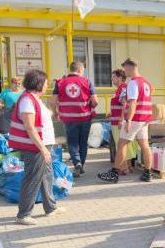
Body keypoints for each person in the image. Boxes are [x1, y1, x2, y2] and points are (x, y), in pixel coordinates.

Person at [8, 69, 65, 226]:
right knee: (32, 178)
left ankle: (50, 208)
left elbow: (46, 118)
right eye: (46, 82)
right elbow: (30, 127)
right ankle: (23, 214)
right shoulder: (27, 100)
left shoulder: (35, 98)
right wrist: (42, 148)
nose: (47, 85)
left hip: (43, 144)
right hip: (34, 146)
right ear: (39, 83)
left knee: (47, 175)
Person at [98, 58, 153, 183]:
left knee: (121, 144)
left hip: (135, 119)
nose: (125, 72)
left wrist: (128, 120)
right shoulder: (146, 83)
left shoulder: (133, 83)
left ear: (130, 67)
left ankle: (114, 173)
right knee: (145, 146)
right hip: (145, 119)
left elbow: (132, 102)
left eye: (125, 69)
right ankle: (148, 173)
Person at [51, 61, 98, 177]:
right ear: (80, 70)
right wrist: (91, 106)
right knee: (83, 142)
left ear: (70, 69)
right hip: (85, 117)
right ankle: (80, 164)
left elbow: (53, 102)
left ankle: (77, 163)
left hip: (68, 118)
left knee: (72, 142)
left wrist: (56, 113)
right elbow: (95, 101)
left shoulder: (60, 82)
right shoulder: (87, 81)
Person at [108, 69, 139, 174]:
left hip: (118, 122)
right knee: (125, 144)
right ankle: (128, 166)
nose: (111, 79)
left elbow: (125, 104)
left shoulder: (123, 88)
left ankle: (124, 168)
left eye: (113, 77)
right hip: (116, 119)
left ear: (120, 78)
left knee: (120, 144)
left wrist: (121, 119)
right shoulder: (121, 89)